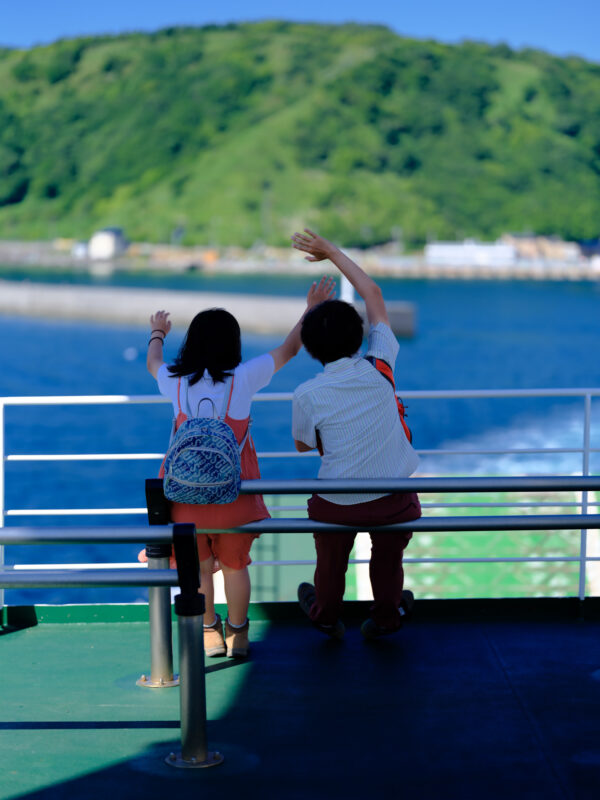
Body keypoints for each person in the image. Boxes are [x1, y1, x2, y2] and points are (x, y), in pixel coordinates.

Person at [145, 277, 335, 658]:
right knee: (235, 567)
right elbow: (289, 349)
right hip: (235, 493)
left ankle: (209, 632)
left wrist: (157, 332)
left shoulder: (175, 381)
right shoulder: (245, 377)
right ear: (233, 345)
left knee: (198, 569)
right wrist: (311, 308)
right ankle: (239, 633)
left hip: (185, 494)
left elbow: (153, 363)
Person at [291, 228, 421, 640]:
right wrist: (331, 250)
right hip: (392, 499)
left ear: (311, 349)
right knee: (387, 560)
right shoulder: (380, 365)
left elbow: (302, 445)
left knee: (330, 562)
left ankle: (326, 614)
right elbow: (374, 295)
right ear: (360, 335)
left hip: (336, 503)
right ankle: (386, 616)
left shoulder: (307, 393)